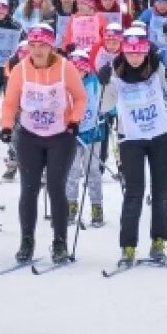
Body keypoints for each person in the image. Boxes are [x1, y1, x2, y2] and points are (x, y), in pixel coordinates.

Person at [0, 24, 86, 264]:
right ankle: (26, 241)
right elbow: (10, 102)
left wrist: (75, 120)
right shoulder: (20, 70)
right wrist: (6, 126)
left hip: (60, 136)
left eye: (42, 46)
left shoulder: (66, 68)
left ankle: (60, 241)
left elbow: (80, 97)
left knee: (56, 187)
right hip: (30, 136)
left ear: (51, 47)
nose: (37, 51)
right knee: (29, 188)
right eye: (33, 45)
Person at [98, 26, 167, 266]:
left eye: (139, 52)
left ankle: (159, 241)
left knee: (161, 191)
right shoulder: (115, 71)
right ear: (123, 52)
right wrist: (103, 83)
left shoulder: (157, 67)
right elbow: (105, 107)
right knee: (134, 192)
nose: (135, 58)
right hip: (131, 138)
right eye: (130, 52)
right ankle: (128, 246)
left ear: (146, 51)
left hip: (160, 136)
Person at [65, 49, 106, 228]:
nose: (78, 73)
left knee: (93, 171)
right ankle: (70, 204)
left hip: (92, 133)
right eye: (74, 69)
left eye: (81, 69)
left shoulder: (95, 82)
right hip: (71, 135)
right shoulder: (64, 84)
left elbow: (106, 101)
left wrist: (106, 113)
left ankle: (96, 206)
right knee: (72, 171)